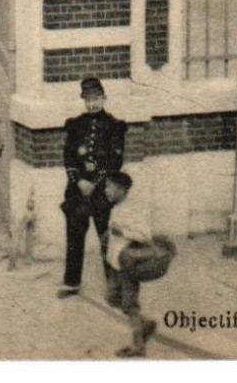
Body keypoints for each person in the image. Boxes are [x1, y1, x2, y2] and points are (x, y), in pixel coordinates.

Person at [57, 77, 127, 299]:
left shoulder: (114, 127)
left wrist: (95, 183)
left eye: (96, 99)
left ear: (104, 98)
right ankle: (71, 283)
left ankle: (114, 288)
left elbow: (116, 161)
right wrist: (78, 181)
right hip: (78, 192)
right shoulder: (76, 125)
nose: (92, 104)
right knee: (74, 237)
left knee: (106, 239)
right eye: (88, 99)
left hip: (101, 194)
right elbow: (68, 157)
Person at [102, 171, 159, 357]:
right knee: (111, 297)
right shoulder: (116, 208)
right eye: (106, 186)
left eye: (110, 187)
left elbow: (145, 235)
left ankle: (138, 346)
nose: (106, 191)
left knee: (130, 305)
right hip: (115, 264)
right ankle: (145, 324)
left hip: (128, 264)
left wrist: (124, 232)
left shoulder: (132, 210)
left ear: (122, 190)